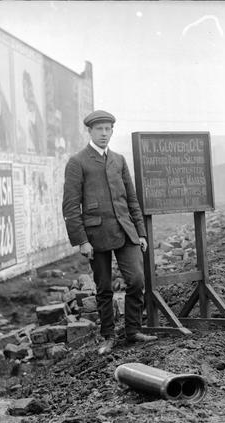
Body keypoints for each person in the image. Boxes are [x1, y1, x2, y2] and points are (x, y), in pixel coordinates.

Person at [62, 110, 157, 354]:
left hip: (125, 231)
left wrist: (141, 233)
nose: (104, 134)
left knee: (137, 280)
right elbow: (71, 206)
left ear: (112, 131)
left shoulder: (119, 160)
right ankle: (107, 336)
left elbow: (132, 199)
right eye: (99, 129)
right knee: (103, 288)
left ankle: (133, 331)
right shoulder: (78, 161)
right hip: (96, 236)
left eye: (108, 129)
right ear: (90, 131)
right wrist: (82, 240)